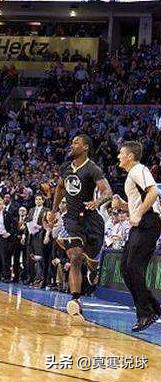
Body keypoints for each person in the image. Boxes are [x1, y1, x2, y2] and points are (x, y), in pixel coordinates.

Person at [47, 135, 112, 318]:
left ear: (85, 147)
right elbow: (60, 188)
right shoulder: (66, 168)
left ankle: (92, 268)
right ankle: (75, 299)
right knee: (75, 257)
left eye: (76, 143)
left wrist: (97, 201)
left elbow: (108, 191)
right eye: (72, 142)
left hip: (91, 220)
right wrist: (53, 211)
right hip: (72, 220)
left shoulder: (92, 168)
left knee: (90, 258)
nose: (72, 145)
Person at [113, 141, 161, 332]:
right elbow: (138, 202)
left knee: (133, 267)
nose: (118, 156)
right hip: (141, 223)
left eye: (121, 153)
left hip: (148, 223)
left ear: (130, 156)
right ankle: (154, 308)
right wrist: (123, 206)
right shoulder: (132, 175)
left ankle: (147, 313)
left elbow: (153, 192)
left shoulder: (139, 169)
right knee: (126, 267)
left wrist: (139, 213)